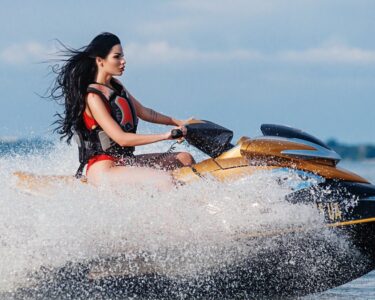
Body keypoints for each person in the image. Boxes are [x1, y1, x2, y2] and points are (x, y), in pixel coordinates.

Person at [50, 32, 195, 189]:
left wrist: (177, 122)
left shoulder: (116, 86)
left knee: (185, 158)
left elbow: (145, 112)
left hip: (125, 161)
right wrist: (166, 136)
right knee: (163, 180)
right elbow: (122, 139)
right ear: (100, 61)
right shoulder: (93, 97)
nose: (123, 61)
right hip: (104, 170)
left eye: (122, 56)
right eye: (117, 57)